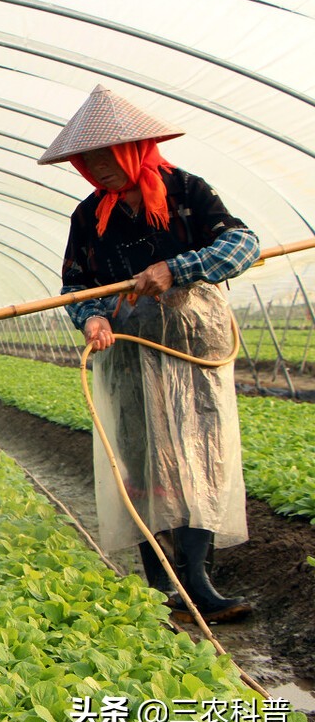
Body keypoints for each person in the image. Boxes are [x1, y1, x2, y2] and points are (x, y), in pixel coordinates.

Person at [39, 85, 259, 624]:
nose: (97, 168)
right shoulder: (90, 216)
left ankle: (199, 581)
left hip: (192, 350)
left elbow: (242, 244)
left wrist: (176, 269)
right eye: (87, 161)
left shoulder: (187, 192)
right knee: (141, 460)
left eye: (105, 157)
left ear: (134, 150)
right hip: (131, 354)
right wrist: (90, 317)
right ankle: (160, 582)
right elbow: (76, 285)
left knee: (198, 455)